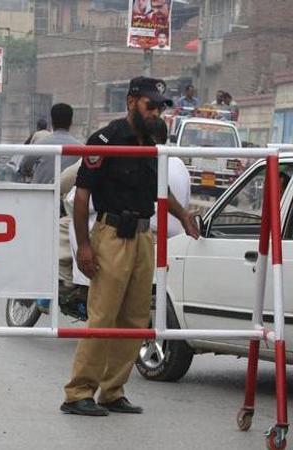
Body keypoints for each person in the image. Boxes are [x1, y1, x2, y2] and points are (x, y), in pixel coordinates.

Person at [61, 76, 200, 417]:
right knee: (103, 317)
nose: (156, 113)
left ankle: (112, 391)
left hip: (142, 237)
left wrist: (183, 216)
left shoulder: (150, 143)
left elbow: (159, 187)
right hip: (111, 235)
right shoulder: (106, 139)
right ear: (131, 102)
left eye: (160, 108)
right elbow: (81, 198)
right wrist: (83, 246)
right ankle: (78, 392)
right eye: (150, 106)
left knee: (135, 319)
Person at [21, 103, 81, 184]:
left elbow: (24, 166)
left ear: (52, 122)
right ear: (71, 122)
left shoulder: (40, 145)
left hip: (41, 194)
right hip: (69, 195)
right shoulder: (81, 150)